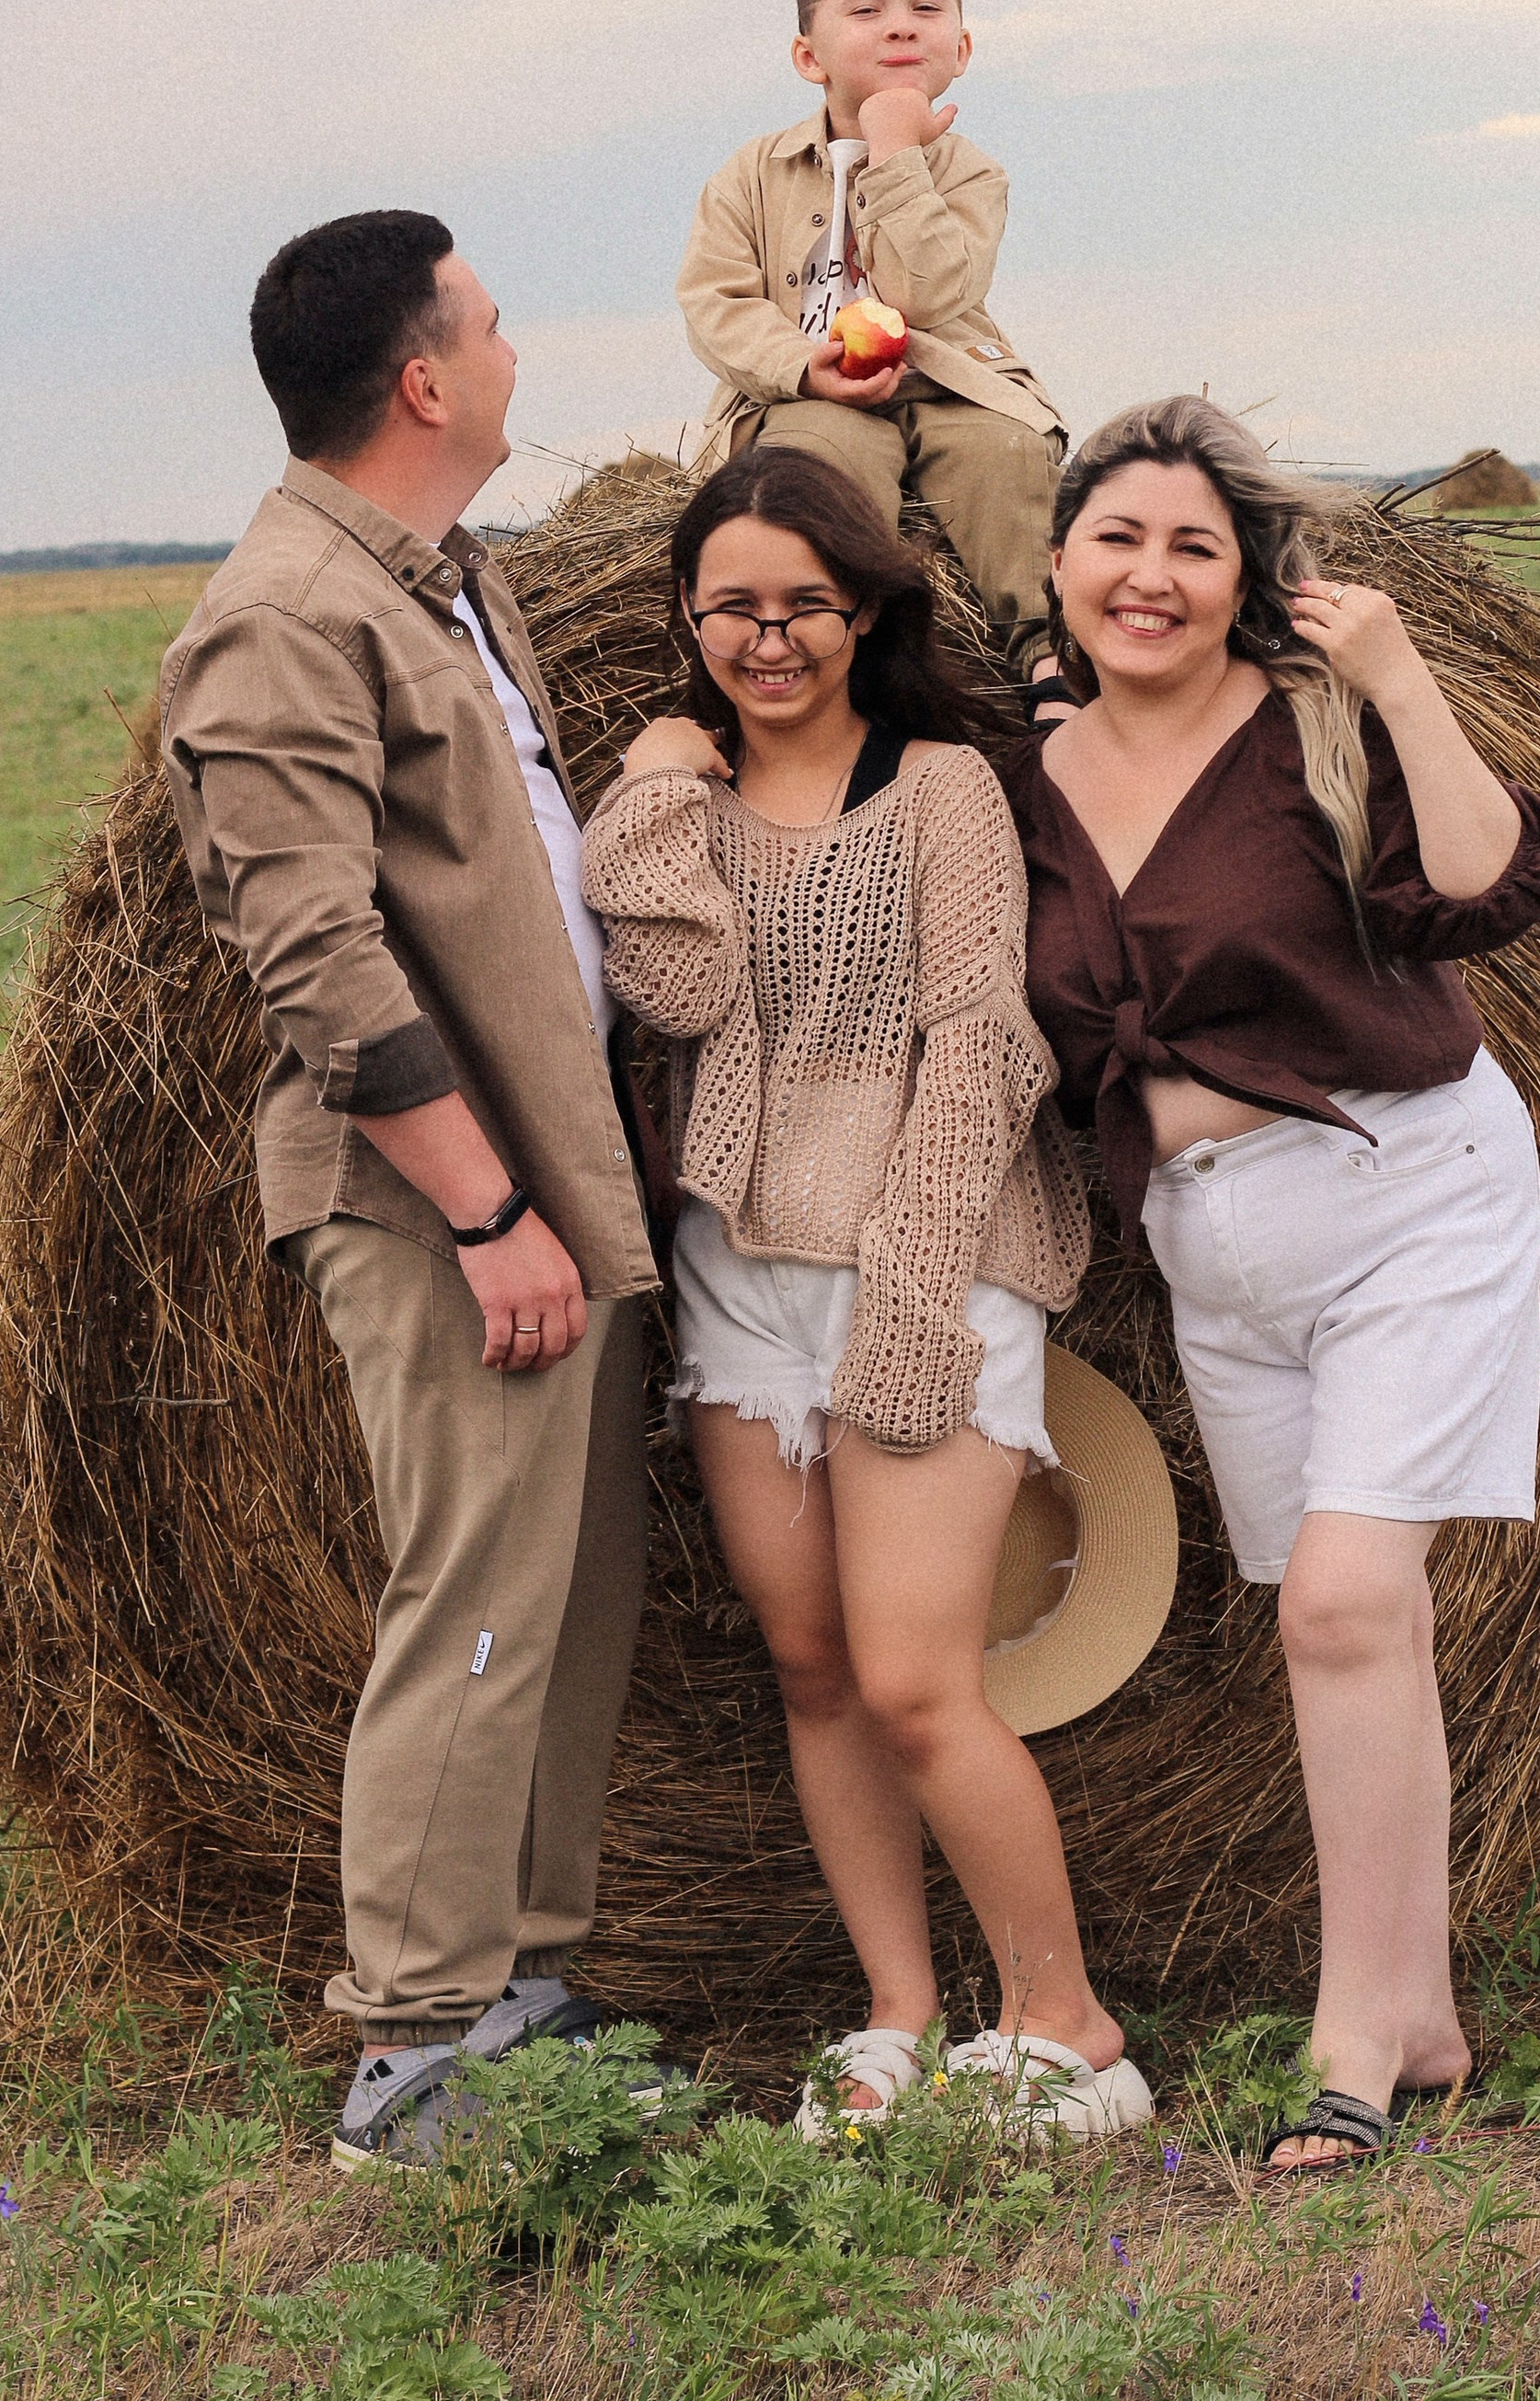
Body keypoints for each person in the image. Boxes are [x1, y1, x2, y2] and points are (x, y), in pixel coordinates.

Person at [1004, 397, 1540, 2172]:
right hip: (1211, 1248)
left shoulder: (1312, 728)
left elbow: (1494, 887)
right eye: (1118, 539)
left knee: (1340, 1599)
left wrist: (1402, 676)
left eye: (1194, 545)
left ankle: (1355, 2039)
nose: (1151, 577)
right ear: (1059, 562)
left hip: (1408, 1192)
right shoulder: (1023, 775)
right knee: (1344, 1623)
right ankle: (1422, 2011)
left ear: (1247, 574)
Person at [159, 211, 666, 2176]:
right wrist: (479, 1211)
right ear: (425, 380)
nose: (522, 351)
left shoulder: (435, 581)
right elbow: (313, 955)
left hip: (548, 1183)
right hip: (447, 1213)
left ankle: (521, 1991)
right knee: (467, 1606)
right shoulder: (287, 610)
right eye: (499, 321)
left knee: (557, 1606)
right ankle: (419, 2047)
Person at [580, 448, 1149, 2140]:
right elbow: (672, 981)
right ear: (691, 619)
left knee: (917, 1683)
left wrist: (911, 1301)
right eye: (732, 609)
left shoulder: (947, 790)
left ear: (863, 607)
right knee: (816, 1671)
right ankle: (899, 2011)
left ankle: (1068, 2022)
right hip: (742, 1289)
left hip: (932, 1264)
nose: (769, 640)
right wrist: (658, 780)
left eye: (803, 605)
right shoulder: (687, 789)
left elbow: (983, 1051)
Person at [676, 0, 1070, 709]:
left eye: (927, 9)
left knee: (1007, 456)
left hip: (947, 379)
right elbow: (714, 302)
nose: (900, 27)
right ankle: (846, 665)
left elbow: (926, 297)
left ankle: (1047, 655)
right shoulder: (751, 173)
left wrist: (898, 153)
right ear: (807, 56)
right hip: (806, 392)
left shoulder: (972, 174)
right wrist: (800, 368)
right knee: (818, 471)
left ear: (960, 49)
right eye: (867, 10)